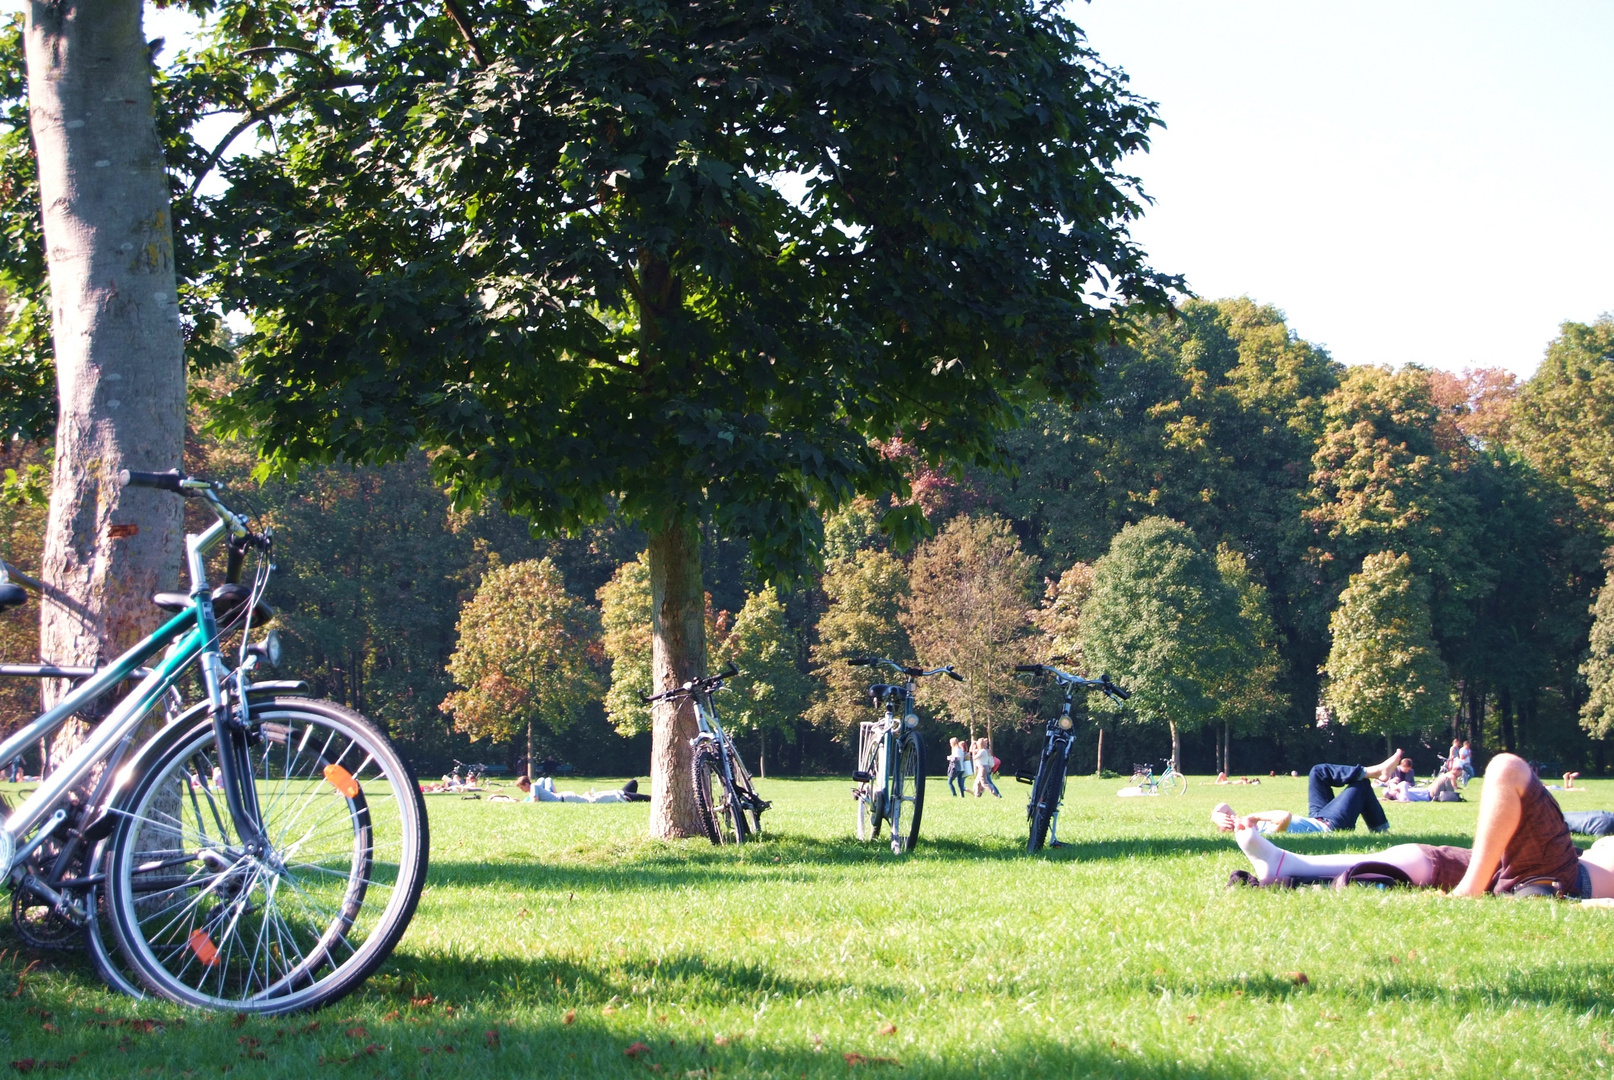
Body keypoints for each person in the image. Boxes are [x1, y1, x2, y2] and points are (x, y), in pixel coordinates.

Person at [1222, 752, 1614, 898]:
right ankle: (1285, 865)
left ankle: (1468, 893)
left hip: (1559, 875)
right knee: (1418, 856)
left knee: (1506, 769)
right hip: (1537, 872)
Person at [1211, 750, 1403, 835]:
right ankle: (1381, 831)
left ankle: (1374, 771)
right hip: (1329, 826)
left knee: (1317, 771)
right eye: (1234, 823)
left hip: (1316, 817)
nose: (1236, 818)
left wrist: (1215, 815)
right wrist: (1253, 817)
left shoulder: (1250, 826)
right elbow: (1284, 817)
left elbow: (1222, 806)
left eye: (1233, 819)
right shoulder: (1263, 836)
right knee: (1360, 787)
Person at [517, 775, 647, 803]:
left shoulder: (533, 787)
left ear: (526, 784)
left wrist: (523, 804)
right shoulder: (535, 786)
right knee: (631, 784)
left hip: (565, 798)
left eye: (521, 787)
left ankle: (623, 798)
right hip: (564, 797)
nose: (522, 790)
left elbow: (534, 802)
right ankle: (625, 796)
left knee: (591, 801)